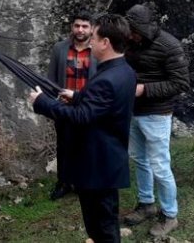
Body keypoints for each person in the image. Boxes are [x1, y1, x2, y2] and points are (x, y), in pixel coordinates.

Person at [29, 14, 135, 243]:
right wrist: (77, 96)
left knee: (101, 225)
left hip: (97, 164)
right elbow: (102, 107)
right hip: (107, 159)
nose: (90, 42)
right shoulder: (124, 71)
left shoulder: (106, 78)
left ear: (105, 43)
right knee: (103, 219)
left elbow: (82, 117)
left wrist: (42, 102)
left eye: (94, 38)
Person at [122, 4, 190, 237]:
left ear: (143, 27)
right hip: (133, 111)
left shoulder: (169, 45)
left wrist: (143, 89)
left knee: (160, 165)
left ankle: (170, 215)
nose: (129, 34)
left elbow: (180, 82)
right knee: (140, 160)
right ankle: (146, 204)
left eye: (133, 30)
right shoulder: (131, 41)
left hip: (157, 114)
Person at [47, 11, 98, 200]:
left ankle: (84, 182)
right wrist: (53, 102)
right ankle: (64, 182)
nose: (80, 30)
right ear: (72, 27)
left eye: (85, 26)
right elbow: (51, 79)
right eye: (77, 25)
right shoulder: (60, 48)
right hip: (64, 107)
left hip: (88, 106)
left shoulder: (97, 51)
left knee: (87, 145)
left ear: (92, 29)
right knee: (64, 145)